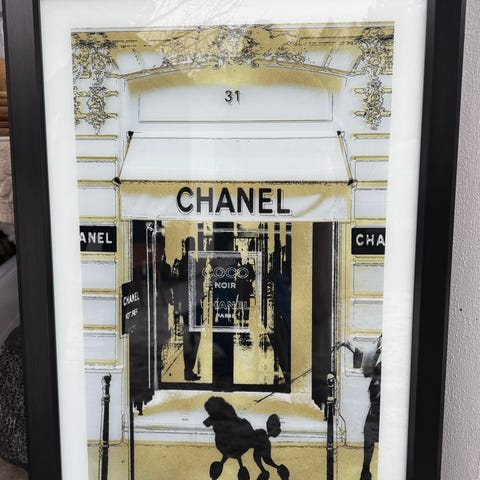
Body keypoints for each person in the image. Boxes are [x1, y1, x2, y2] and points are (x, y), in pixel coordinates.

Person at [336, 336, 381, 480]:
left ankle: (368, 470)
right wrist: (348, 345)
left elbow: (366, 361)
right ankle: (365, 470)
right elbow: (365, 359)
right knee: (369, 436)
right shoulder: (379, 352)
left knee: (376, 437)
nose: (379, 342)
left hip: (384, 407)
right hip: (375, 407)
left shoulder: (392, 356)